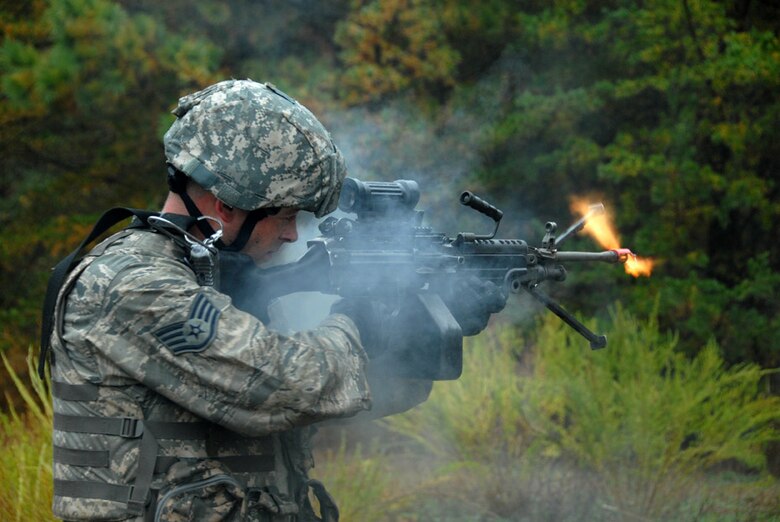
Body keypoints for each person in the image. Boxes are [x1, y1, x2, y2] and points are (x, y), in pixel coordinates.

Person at [42, 79, 503, 521]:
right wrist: (359, 324)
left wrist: (423, 327)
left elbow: (329, 406)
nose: (291, 233)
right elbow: (283, 389)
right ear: (227, 206)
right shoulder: (133, 285)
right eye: (285, 216)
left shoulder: (212, 276)